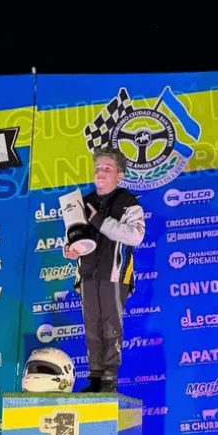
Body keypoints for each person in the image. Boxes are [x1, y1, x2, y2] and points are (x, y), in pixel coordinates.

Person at [62, 148, 145, 392]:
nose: (100, 172)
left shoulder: (129, 202)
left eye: (107, 169)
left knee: (111, 327)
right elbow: (72, 234)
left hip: (115, 274)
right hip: (87, 274)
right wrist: (69, 249)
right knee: (91, 327)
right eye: (98, 168)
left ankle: (110, 377)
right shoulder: (82, 202)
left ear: (120, 175)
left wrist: (100, 221)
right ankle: (96, 377)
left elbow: (135, 235)